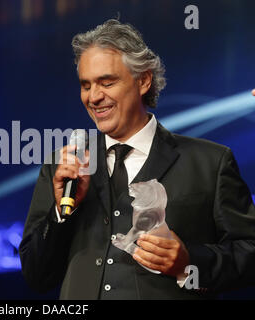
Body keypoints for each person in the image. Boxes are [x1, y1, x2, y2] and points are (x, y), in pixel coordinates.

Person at [19, 19, 255, 299]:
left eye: (107, 82)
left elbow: (249, 254)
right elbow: (36, 275)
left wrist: (189, 262)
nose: (94, 97)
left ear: (143, 80)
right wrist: (60, 213)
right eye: (86, 85)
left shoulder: (210, 162)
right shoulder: (64, 166)